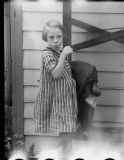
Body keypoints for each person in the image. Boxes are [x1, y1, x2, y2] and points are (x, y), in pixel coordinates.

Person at [33, 20, 78, 157]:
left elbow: (65, 76)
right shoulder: (48, 55)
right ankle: (40, 156)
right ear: (45, 39)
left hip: (65, 101)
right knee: (66, 134)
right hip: (57, 102)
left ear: (63, 36)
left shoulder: (58, 54)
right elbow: (57, 75)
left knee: (68, 133)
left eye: (58, 37)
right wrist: (64, 55)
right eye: (51, 37)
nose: (55, 41)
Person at [70, 60, 101, 141]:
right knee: (84, 108)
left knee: (84, 107)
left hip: (86, 81)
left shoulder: (86, 86)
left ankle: (85, 131)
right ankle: (85, 131)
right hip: (85, 81)